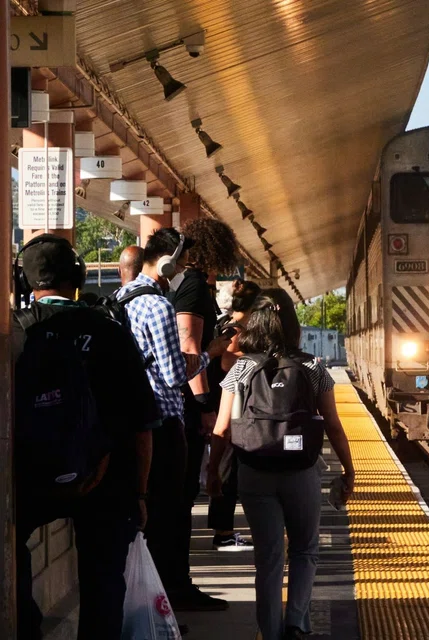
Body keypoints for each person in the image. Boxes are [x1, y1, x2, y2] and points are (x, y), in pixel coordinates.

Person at [13, 234, 159, 639]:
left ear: (25, 284)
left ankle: (26, 626)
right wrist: (140, 494)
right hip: (106, 479)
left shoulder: (16, 333)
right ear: (77, 277)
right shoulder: (108, 330)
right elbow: (143, 424)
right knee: (104, 584)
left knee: (11, 549)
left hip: (32, 478)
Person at [207, 289, 355, 640]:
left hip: (254, 470)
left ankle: (270, 633)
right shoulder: (312, 366)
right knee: (305, 549)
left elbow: (222, 428)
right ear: (293, 324)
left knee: (269, 559)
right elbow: (332, 423)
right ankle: (296, 625)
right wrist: (349, 470)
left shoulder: (241, 368)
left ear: (255, 323)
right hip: (301, 470)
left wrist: (213, 473)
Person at [115, 227, 230, 613]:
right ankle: (168, 600)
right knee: (171, 518)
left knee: (149, 519)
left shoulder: (122, 299)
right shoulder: (158, 306)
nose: (181, 269)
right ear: (167, 261)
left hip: (134, 423)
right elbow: (173, 374)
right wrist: (210, 354)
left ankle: (154, 602)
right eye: (180, 262)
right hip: (165, 425)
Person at [167, 218, 242, 558]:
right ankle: (178, 582)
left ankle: (179, 580)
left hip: (187, 402)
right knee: (181, 498)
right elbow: (189, 348)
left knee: (183, 495)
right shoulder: (194, 286)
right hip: (191, 404)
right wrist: (205, 407)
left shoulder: (184, 283)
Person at [208, 279, 261, 549]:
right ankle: (224, 533)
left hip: (229, 401)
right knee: (227, 468)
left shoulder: (229, 323)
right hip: (229, 403)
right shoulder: (235, 328)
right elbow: (228, 362)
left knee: (228, 467)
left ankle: (225, 530)